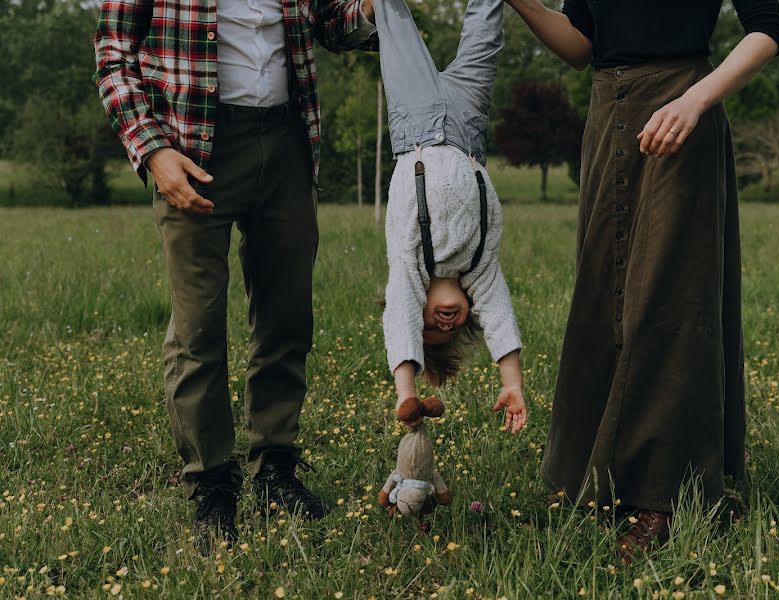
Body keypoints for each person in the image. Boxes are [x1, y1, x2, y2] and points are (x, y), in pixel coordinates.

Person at [505, 0, 779, 559]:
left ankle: (662, 496)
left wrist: (696, 100)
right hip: (609, 115)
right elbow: (581, 46)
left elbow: (768, 30)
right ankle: (599, 479)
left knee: (667, 297)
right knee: (602, 294)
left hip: (682, 111)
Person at [94, 0, 376, 553]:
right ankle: (211, 482)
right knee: (198, 327)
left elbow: (331, 22)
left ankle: (275, 468)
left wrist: (370, 10)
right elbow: (113, 54)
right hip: (192, 143)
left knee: (286, 315)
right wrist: (153, 152)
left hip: (287, 137)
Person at [375, 0, 528, 434]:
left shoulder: (409, 268)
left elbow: (398, 324)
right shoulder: (480, 270)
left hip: (417, 120)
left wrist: (407, 394)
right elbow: (500, 318)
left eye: (428, 326)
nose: (442, 323)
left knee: (392, 15)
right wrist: (512, 383)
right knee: (488, 23)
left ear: (415, 309)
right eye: (449, 330)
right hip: (469, 121)